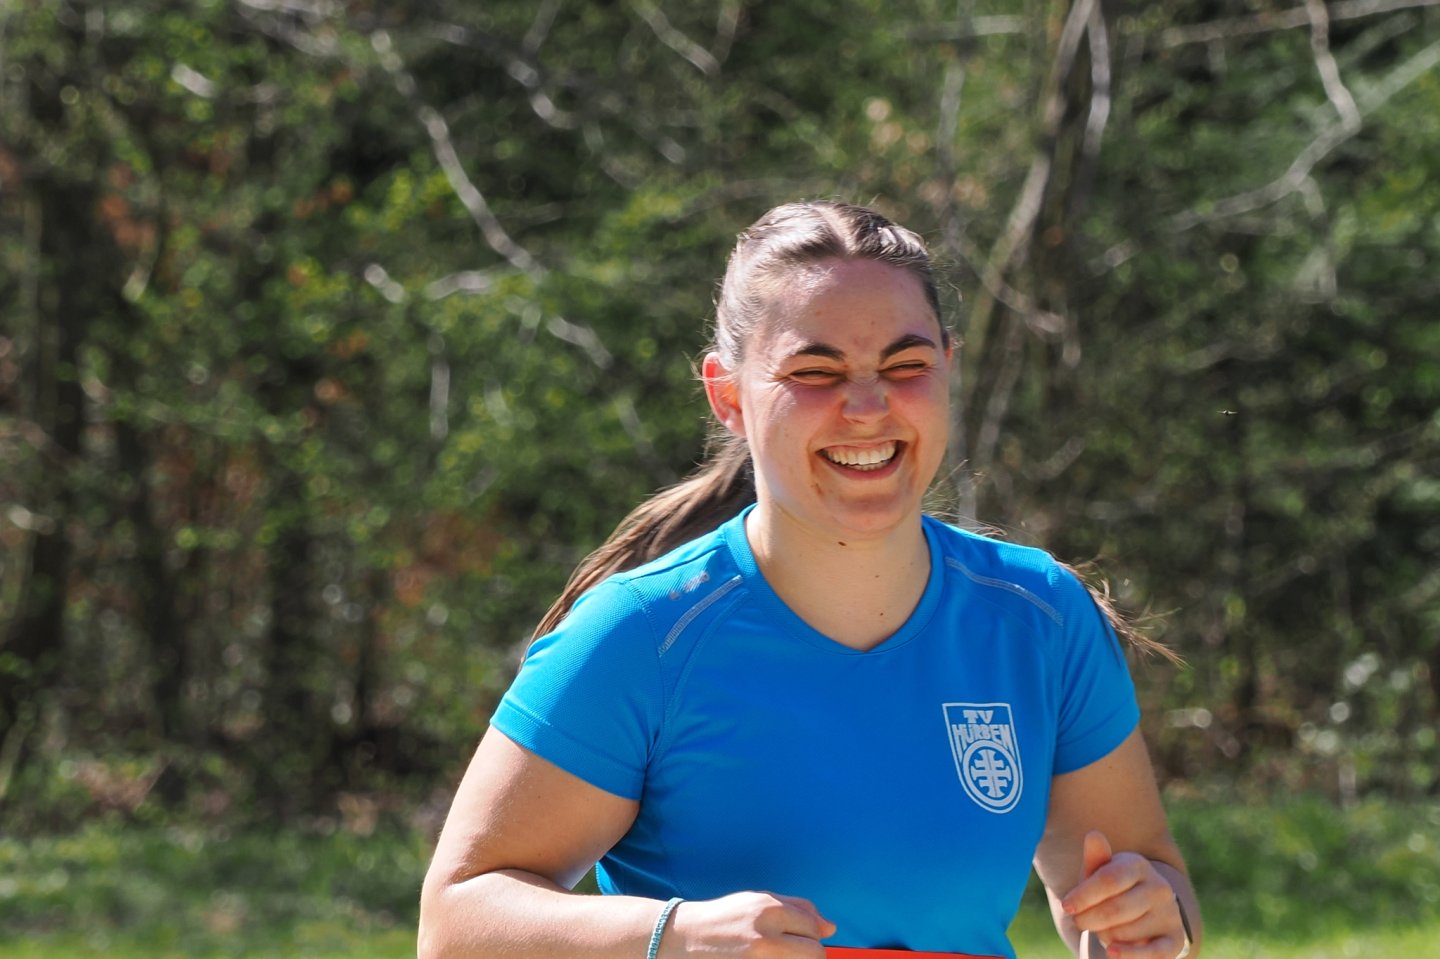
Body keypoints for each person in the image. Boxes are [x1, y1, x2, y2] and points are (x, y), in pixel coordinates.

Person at [418, 201, 1202, 959]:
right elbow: (455, 923)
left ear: (948, 367)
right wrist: (673, 936)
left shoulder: (1043, 616)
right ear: (729, 395)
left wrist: (1151, 918)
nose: (868, 406)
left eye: (906, 365)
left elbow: (1153, 888)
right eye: (816, 371)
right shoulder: (641, 634)